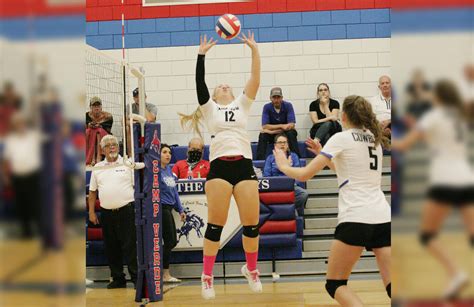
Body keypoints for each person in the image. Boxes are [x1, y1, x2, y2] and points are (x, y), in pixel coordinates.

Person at [273, 95, 391, 306]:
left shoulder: (341, 138)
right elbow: (348, 173)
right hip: (383, 217)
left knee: (335, 284)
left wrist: (283, 166)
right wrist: (324, 155)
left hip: (356, 217)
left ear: (343, 116)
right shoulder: (375, 139)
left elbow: (304, 175)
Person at [179, 32, 262, 299]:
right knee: (215, 224)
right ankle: (207, 277)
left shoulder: (242, 104)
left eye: (228, 84)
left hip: (244, 165)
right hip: (219, 169)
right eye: (220, 86)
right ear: (214, 95)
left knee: (251, 224)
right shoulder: (210, 109)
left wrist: (254, 51)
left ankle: (251, 270)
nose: (225, 85)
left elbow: (255, 79)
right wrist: (201, 55)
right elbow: (199, 84)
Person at [392, 80, 473, 299]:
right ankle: (457, 274)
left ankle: (456, 273)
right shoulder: (460, 117)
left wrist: (388, 139)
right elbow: (441, 140)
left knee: (427, 235)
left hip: (444, 180)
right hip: (466, 178)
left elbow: (404, 145)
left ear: (438, 96)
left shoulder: (433, 116)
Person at [88, 135, 137, 289]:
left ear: (119, 147)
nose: (112, 147)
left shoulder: (128, 164)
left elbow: (138, 187)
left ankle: (136, 278)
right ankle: (118, 279)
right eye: (108, 145)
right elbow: (92, 192)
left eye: (114, 144)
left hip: (127, 211)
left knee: (130, 246)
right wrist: (91, 212)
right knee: (111, 247)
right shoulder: (98, 168)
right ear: (102, 150)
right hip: (106, 213)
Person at [2, 112, 42, 238]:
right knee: (21, 205)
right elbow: (5, 160)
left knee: (36, 204)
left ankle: (41, 231)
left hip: (33, 176)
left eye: (22, 123)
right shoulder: (10, 140)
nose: (20, 125)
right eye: (17, 123)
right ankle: (26, 232)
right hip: (17, 177)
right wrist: (6, 177)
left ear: (25, 124)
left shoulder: (34, 136)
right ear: (14, 125)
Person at [159, 144, 187, 282]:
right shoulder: (155, 172)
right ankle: (164, 274)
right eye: (164, 152)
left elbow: (174, 192)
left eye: (169, 152)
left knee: (170, 242)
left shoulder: (169, 170)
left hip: (169, 209)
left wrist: (180, 209)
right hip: (161, 209)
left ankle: (164, 273)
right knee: (170, 241)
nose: (168, 155)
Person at [263, 133, 308, 216]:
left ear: (288, 145)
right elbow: (266, 176)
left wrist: (292, 183)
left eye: (285, 142)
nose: (283, 144)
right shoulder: (270, 158)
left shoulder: (294, 157)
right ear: (275, 145)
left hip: (291, 186)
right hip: (275, 188)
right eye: (280, 142)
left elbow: (298, 175)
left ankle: (292, 210)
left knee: (303, 194)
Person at [256, 87, 300, 160]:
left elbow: (291, 125)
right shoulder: (267, 107)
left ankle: (297, 160)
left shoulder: (288, 105)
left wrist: (271, 130)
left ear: (282, 98)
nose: (276, 100)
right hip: (273, 134)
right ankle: (259, 162)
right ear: (270, 98)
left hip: (285, 134)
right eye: (274, 97)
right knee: (263, 135)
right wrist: (282, 126)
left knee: (291, 133)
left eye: (278, 97)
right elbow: (265, 126)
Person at [85, 96, 113, 166]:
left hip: (103, 134)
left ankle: (98, 157)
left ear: (101, 107)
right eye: (94, 106)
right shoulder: (86, 116)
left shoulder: (108, 116)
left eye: (98, 105)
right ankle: (91, 158)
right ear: (90, 107)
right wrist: (88, 125)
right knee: (89, 131)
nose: (96, 108)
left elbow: (108, 129)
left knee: (98, 131)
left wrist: (99, 126)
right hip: (91, 134)